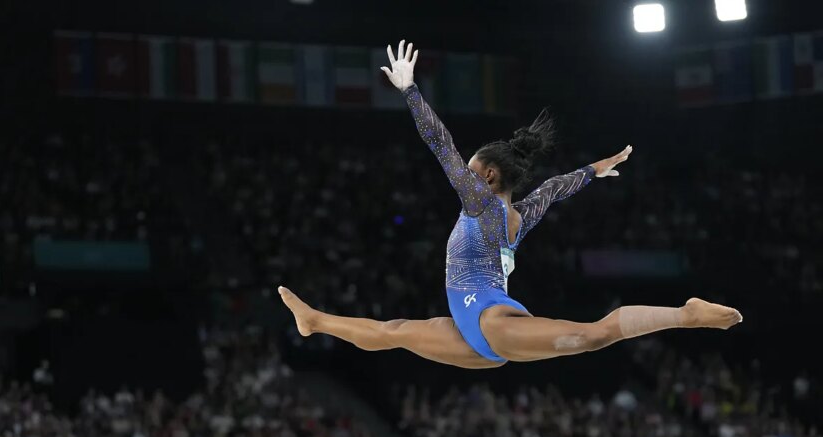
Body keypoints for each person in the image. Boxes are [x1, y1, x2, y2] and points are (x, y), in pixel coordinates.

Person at [278, 40, 742, 369]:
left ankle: (686, 314)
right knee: (391, 333)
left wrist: (410, 92)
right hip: (475, 335)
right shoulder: (517, 216)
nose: (465, 173)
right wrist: (593, 171)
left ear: (487, 176)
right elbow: (554, 189)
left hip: (488, 319)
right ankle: (314, 321)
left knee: (592, 335)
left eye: (472, 168)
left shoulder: (479, 203)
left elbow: (442, 145)